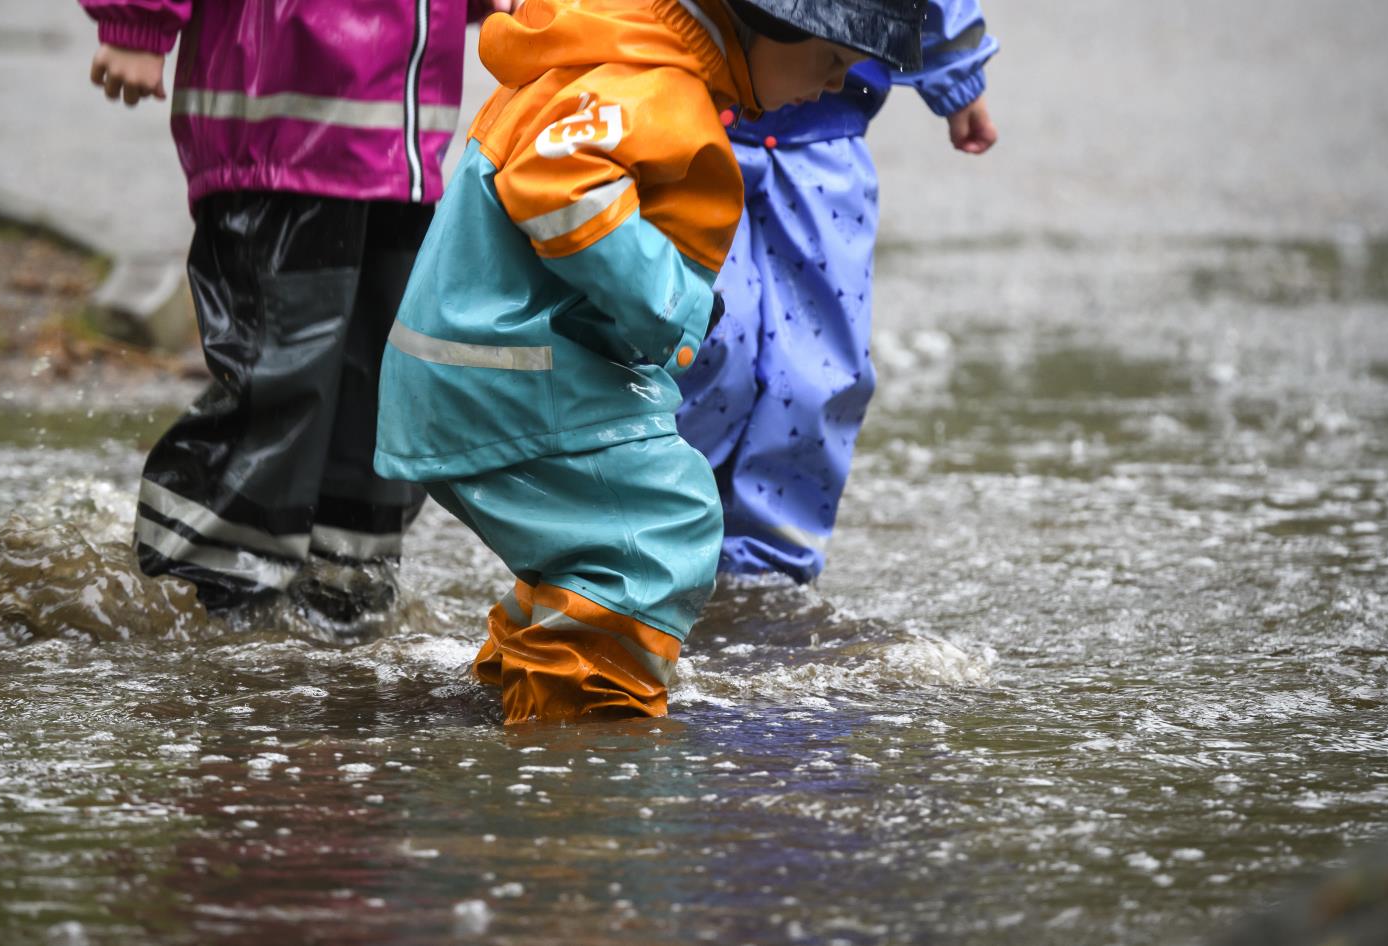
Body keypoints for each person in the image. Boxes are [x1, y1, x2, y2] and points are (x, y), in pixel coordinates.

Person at [372, 0, 929, 723]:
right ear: (771, 24)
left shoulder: (641, 52)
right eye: (831, 59)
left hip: (500, 360)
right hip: (509, 368)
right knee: (664, 519)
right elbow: (555, 176)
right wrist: (675, 306)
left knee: (599, 536)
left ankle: (526, 673)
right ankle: (584, 727)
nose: (837, 82)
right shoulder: (654, 78)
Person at [76, 0, 494, 625]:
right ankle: (206, 602)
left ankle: (342, 598)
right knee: (280, 378)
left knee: (383, 388)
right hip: (281, 113)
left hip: (400, 141)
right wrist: (139, 19)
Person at [677, 0, 998, 586]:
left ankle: (767, 579)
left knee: (819, 372)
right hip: (685, 118)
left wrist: (956, 69)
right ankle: (661, 535)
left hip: (825, 134)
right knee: (702, 343)